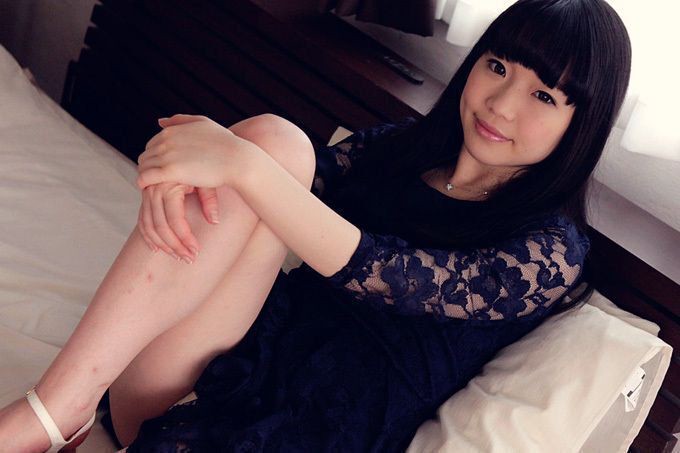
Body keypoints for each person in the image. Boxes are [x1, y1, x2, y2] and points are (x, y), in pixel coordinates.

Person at [0, 0, 631, 451]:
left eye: (543, 96)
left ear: (582, 125)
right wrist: (176, 172)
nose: (501, 103)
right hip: (208, 371)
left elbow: (386, 274)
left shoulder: (547, 253)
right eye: (497, 67)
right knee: (277, 143)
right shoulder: (399, 150)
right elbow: (269, 180)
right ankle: (58, 408)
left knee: (266, 157)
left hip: (305, 429)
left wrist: (242, 164)